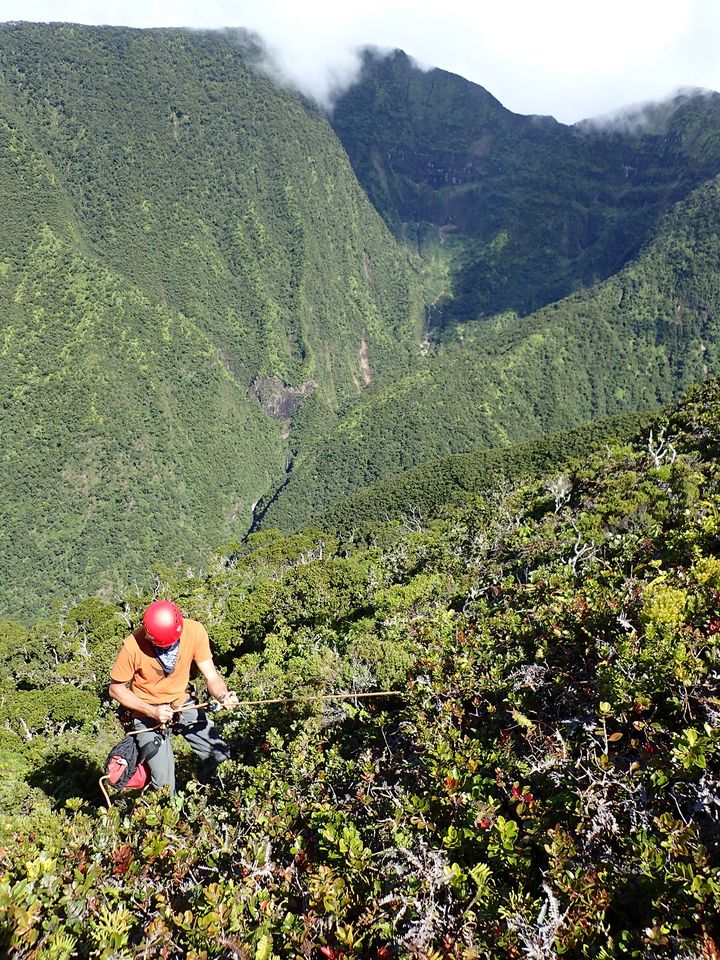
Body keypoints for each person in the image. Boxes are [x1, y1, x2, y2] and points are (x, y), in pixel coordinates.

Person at [108, 599, 238, 794]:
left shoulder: (194, 632)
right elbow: (116, 689)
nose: (167, 650)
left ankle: (216, 795)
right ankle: (170, 818)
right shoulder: (133, 646)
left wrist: (223, 695)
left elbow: (211, 676)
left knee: (219, 755)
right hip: (146, 712)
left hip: (180, 702)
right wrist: (152, 711)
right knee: (164, 782)